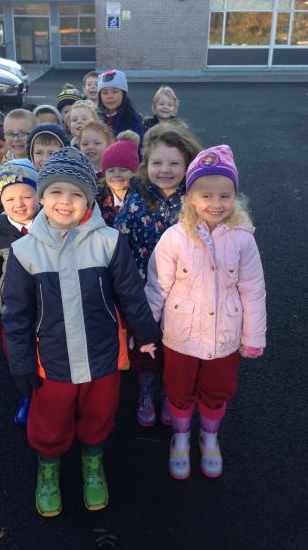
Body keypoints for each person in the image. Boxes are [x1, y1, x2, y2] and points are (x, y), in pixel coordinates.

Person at [1, 147, 160, 517]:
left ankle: (92, 463)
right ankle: (48, 468)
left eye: (76, 193)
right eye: (56, 191)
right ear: (42, 197)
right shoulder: (25, 251)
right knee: (50, 421)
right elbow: (17, 314)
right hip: (52, 360)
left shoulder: (108, 241)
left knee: (98, 414)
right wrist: (21, 362)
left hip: (102, 356)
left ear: (89, 199)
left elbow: (130, 293)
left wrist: (147, 334)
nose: (65, 201)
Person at [144, 145, 266, 480]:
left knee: (217, 391)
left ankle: (209, 437)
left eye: (225, 196)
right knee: (179, 390)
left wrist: (253, 337)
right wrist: (145, 330)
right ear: (190, 198)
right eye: (206, 195)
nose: (216, 204)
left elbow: (253, 290)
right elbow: (157, 286)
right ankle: (181, 437)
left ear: (235, 197)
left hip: (224, 338)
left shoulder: (243, 240)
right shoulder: (174, 238)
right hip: (180, 337)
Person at [114, 122, 202, 427]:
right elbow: (121, 239)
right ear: (145, 164)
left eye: (174, 164)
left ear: (187, 165)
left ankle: (168, 391)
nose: (165, 170)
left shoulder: (194, 199)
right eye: (157, 163)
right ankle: (145, 390)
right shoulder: (136, 196)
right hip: (144, 288)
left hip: (184, 290)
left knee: (176, 346)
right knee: (146, 343)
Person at [0, 160, 39, 426]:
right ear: (1, 200)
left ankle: (46, 392)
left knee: (45, 353)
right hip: (11, 309)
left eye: (27, 196)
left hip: (46, 305)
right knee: (16, 354)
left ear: (40, 195)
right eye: (10, 198)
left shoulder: (51, 224)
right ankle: (26, 394)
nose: (19, 204)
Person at [0, 109, 37, 242]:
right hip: (9, 236)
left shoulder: (41, 164)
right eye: (10, 134)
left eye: (23, 133)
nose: (16, 139)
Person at [96, 136, 139, 227]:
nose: (116, 175)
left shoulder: (142, 199)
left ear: (134, 172)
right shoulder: (98, 198)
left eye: (123, 170)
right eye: (111, 171)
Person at [97, 69, 144, 148]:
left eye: (115, 92)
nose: (110, 96)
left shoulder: (132, 120)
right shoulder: (95, 118)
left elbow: (138, 148)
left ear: (123, 94)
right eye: (105, 93)